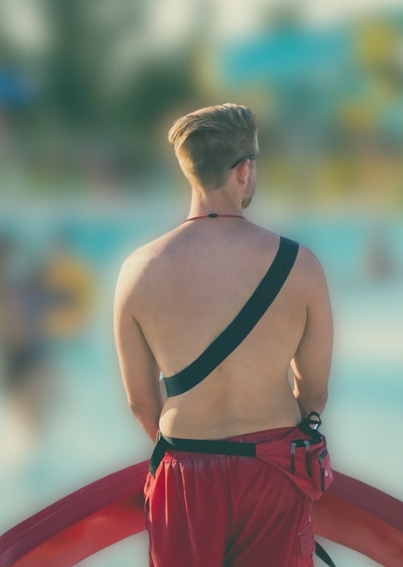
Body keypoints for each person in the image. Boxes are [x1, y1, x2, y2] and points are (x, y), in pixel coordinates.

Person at [114, 104, 335, 567]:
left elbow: (140, 401)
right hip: (273, 471)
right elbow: (314, 393)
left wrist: (192, 453)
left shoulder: (138, 272)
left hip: (185, 473)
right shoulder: (300, 265)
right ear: (244, 170)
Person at [0, 232, 51, 438]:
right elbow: (13, 330)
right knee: (28, 429)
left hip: (11, 360)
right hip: (15, 360)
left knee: (24, 428)